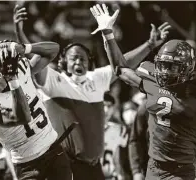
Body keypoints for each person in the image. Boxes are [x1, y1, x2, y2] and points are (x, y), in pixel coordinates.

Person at [14, 3, 171, 180]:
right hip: (66, 166)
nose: (79, 62)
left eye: (83, 58)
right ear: (62, 63)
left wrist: (149, 45)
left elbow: (123, 63)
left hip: (95, 168)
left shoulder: (96, 79)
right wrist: (20, 34)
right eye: (73, 58)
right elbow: (34, 59)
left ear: (90, 63)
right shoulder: (53, 80)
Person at [91, 3, 196, 179]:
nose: (165, 72)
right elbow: (119, 69)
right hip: (153, 167)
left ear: (187, 68)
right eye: (163, 66)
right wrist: (108, 33)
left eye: (172, 67)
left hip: (181, 171)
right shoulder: (153, 80)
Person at [0, 40, 72, 180]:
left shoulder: (20, 69)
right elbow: (22, 117)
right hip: (27, 165)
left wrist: (25, 48)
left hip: (54, 151)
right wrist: (13, 80)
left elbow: (53, 50)